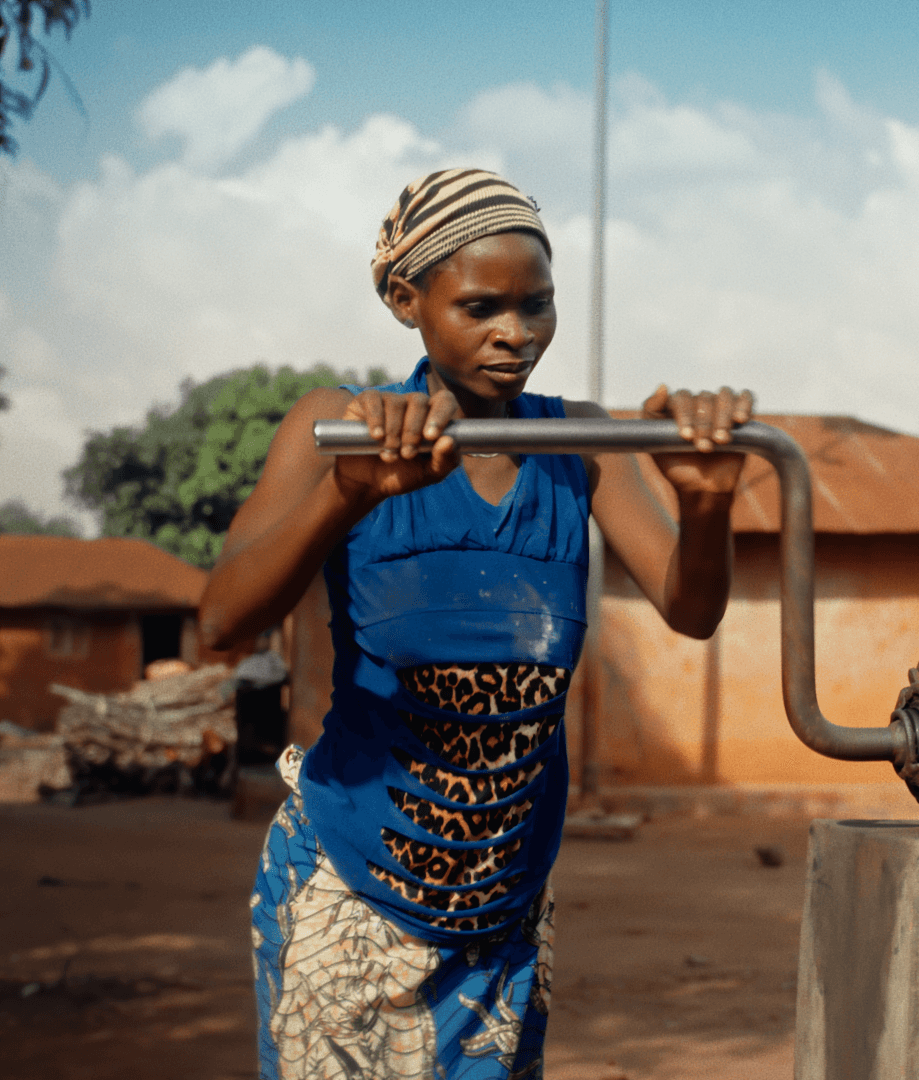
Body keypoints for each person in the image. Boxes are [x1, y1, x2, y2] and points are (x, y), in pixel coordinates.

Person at [198, 167, 754, 1080]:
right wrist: (346, 498)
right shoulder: (338, 429)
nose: (516, 333)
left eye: (538, 306)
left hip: (499, 913)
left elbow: (693, 610)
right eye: (482, 306)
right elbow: (221, 619)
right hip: (350, 888)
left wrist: (707, 509)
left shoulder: (582, 445)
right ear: (404, 299)